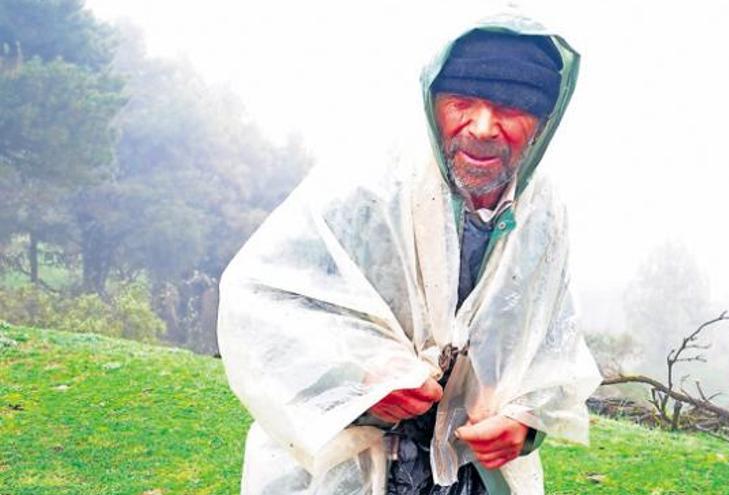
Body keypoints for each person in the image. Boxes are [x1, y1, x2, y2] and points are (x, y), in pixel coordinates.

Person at [217, 13, 602, 495]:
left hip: (469, 479)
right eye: (462, 102)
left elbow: (549, 346)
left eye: (511, 109)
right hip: (351, 472)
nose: (482, 127)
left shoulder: (541, 214)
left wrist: (523, 426)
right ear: (433, 102)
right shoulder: (366, 188)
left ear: (544, 123)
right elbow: (261, 299)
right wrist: (362, 374)